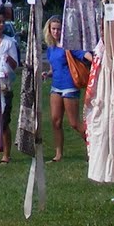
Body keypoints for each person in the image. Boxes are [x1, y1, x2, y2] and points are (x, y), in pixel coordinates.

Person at [43, 15, 90, 161]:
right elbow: (54, 68)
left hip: (69, 86)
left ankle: (93, 147)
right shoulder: (50, 49)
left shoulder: (68, 46)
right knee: (55, 121)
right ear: (49, 30)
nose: (56, 32)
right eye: (54, 29)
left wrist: (96, 61)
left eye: (58, 29)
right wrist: (48, 74)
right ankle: (58, 154)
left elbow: (83, 54)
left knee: (74, 123)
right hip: (55, 87)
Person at [0, 14, 20, 163]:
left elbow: (15, 66)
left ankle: (6, 155)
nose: (1, 25)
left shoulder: (9, 43)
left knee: (4, 121)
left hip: (5, 86)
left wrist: (7, 59)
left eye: (3, 22)